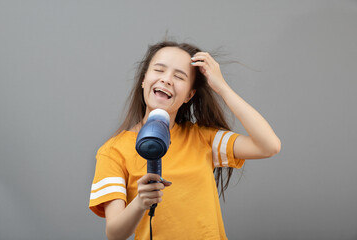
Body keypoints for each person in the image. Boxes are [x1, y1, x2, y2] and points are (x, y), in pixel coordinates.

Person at [89, 41, 281, 240]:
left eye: (179, 76)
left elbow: (269, 146)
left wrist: (222, 87)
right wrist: (140, 202)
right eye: (159, 70)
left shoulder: (202, 139)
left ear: (189, 95)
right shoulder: (113, 152)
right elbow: (114, 234)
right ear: (144, 79)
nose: (167, 80)